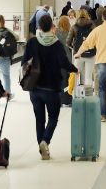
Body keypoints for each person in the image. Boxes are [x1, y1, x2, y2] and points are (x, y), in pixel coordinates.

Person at [23, 15, 77, 160]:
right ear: (52, 27)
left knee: (39, 119)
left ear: (39, 27)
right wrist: (75, 69)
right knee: (53, 117)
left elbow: (24, 62)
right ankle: (45, 141)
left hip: (34, 87)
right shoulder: (57, 44)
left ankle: (42, 150)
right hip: (52, 88)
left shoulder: (32, 42)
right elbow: (64, 63)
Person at [69, 10, 96, 85]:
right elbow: (96, 39)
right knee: (88, 77)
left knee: (75, 75)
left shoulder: (74, 26)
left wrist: (73, 47)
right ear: (87, 15)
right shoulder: (92, 25)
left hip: (78, 54)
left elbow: (68, 42)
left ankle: (75, 93)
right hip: (90, 53)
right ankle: (88, 95)